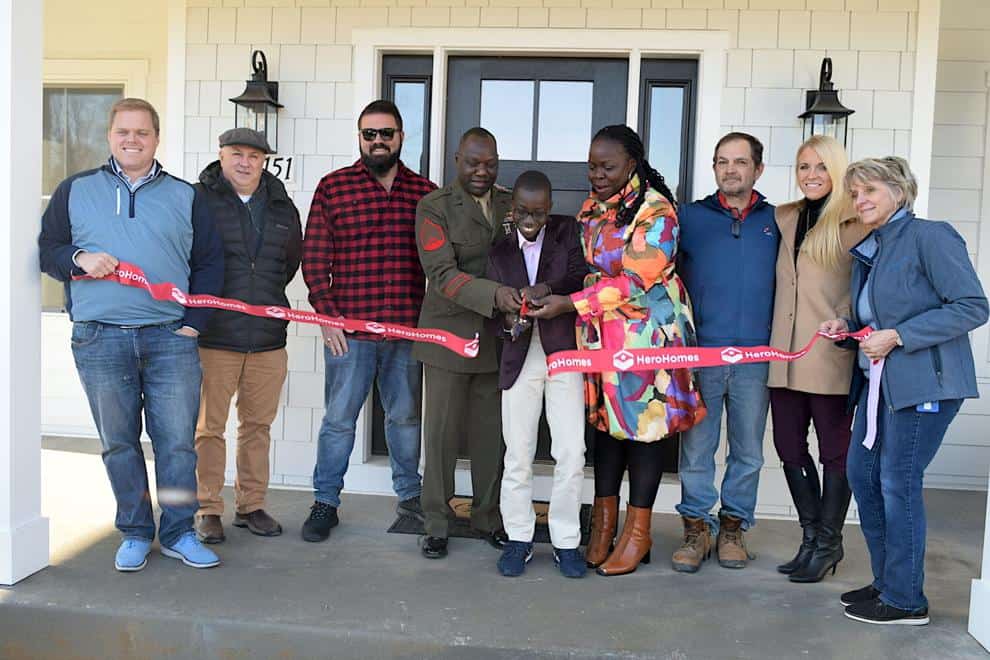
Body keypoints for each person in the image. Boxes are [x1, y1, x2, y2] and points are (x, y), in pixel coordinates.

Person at [38, 97, 224, 571]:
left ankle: (180, 531)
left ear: (157, 138)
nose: (132, 140)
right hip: (99, 340)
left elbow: (209, 264)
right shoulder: (74, 190)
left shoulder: (187, 196)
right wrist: (78, 259)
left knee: (178, 444)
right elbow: (49, 251)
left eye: (142, 132)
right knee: (119, 443)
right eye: (124, 131)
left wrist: (192, 325)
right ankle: (137, 531)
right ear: (109, 136)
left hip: (169, 339)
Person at [529, 125, 706, 577]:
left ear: (632, 163)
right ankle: (604, 526)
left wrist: (571, 302)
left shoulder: (656, 210)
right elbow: (586, 265)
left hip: (648, 338)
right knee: (607, 429)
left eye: (607, 166)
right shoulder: (592, 208)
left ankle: (638, 533)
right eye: (592, 165)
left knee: (644, 430)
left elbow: (636, 280)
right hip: (601, 336)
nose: (597, 174)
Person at [820, 157, 987, 625]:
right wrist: (847, 326)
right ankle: (889, 583)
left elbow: (973, 306)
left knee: (898, 483)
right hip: (879, 387)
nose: (861, 200)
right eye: (855, 194)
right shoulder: (870, 247)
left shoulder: (930, 236)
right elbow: (877, 314)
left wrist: (898, 336)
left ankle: (907, 601)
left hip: (923, 385)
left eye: (870, 190)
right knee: (863, 474)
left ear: (900, 190)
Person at [301, 100, 436, 542]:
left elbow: (441, 263)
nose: (377, 141)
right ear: (360, 138)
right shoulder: (333, 188)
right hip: (349, 333)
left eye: (386, 133)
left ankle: (410, 498)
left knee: (404, 419)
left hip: (405, 331)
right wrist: (327, 317)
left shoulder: (425, 194)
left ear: (401, 137)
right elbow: (315, 258)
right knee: (339, 420)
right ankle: (325, 502)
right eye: (369, 134)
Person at [672, 132, 778, 573]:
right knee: (697, 448)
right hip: (703, 355)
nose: (730, 169)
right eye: (721, 161)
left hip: (756, 357)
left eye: (740, 161)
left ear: (758, 168)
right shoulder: (689, 218)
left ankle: (733, 527)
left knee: (748, 450)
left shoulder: (778, 221)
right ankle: (697, 530)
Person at [192, 128, 303, 544]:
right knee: (208, 428)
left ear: (264, 161)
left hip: (268, 339)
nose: (244, 162)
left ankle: (251, 505)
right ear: (221, 156)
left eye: (253, 156)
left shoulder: (280, 205)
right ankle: (208, 508)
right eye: (235, 154)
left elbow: (290, 261)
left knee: (257, 426)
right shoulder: (200, 200)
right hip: (216, 336)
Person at [767, 135, 870, 583]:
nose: (811, 175)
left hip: (828, 356)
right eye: (804, 166)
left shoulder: (854, 224)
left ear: (838, 171)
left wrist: (847, 322)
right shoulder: (784, 217)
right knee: (788, 447)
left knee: (834, 453)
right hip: (782, 355)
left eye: (821, 167)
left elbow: (865, 291)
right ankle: (811, 537)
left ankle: (829, 542)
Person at [416, 127, 519, 560]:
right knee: (440, 437)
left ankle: (487, 517)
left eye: (490, 164)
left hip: (497, 342)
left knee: (489, 438)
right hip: (448, 337)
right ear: (457, 159)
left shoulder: (509, 202)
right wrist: (496, 296)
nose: (482, 171)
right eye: (473, 162)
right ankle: (436, 523)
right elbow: (441, 274)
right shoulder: (434, 207)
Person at [485, 171, 588, 578]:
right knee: (518, 453)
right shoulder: (498, 250)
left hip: (564, 352)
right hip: (519, 354)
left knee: (571, 451)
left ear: (550, 207)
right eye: (524, 212)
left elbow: (581, 277)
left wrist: (544, 288)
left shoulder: (568, 230)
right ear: (512, 210)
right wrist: (511, 320)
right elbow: (494, 311)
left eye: (540, 212)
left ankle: (566, 540)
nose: (531, 220)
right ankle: (519, 538)